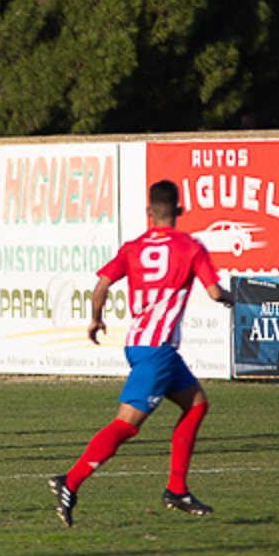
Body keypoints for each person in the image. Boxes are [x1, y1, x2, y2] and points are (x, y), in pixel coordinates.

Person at [47, 180, 233, 526]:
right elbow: (214, 292)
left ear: (149, 212)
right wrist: (233, 299)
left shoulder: (133, 247)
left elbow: (101, 285)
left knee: (196, 404)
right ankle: (69, 482)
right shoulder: (191, 247)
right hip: (156, 351)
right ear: (179, 210)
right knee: (126, 425)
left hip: (140, 344)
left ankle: (176, 489)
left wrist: (96, 320)